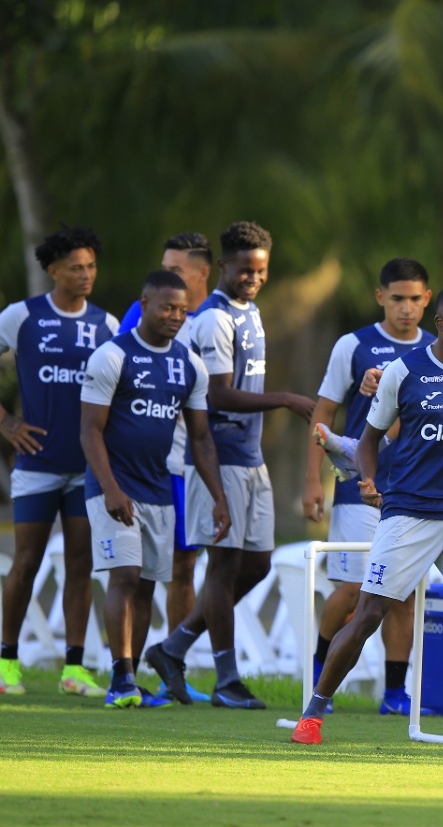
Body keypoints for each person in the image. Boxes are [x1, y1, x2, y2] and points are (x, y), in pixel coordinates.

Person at [290, 285, 443, 745]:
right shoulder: (404, 371)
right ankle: (313, 713)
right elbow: (371, 439)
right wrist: (372, 483)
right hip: (410, 512)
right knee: (369, 613)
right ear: (440, 325)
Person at [145, 221, 315, 709]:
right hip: (215, 459)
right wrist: (284, 399)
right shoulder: (214, 320)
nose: (252, 280)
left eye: (259, 271)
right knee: (222, 567)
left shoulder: (251, 311)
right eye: (243, 271)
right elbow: (218, 395)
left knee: (257, 564)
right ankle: (226, 679)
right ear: (223, 267)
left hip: (249, 457)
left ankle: (172, 648)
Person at [80, 271, 231, 708]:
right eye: (167, 307)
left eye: (183, 310)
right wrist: (109, 488)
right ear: (143, 304)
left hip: (160, 490)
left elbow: (201, 439)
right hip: (112, 488)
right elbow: (90, 431)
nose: (176, 317)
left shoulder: (189, 364)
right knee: (125, 576)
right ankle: (121, 679)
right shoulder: (111, 356)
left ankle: (130, 681)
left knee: (146, 584)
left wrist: (219, 497)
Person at [302, 258, 432, 715]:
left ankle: (395, 692)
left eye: (415, 299)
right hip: (360, 486)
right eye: (397, 298)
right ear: (381, 298)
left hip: (416, 494)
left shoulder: (439, 349)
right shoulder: (353, 345)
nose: (406, 308)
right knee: (353, 589)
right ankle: (320, 675)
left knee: (403, 595)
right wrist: (310, 480)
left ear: (428, 300)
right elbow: (323, 414)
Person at [0, 226, 118, 698]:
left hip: (86, 469)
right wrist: (7, 422)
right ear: (52, 270)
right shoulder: (20, 317)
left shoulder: (108, 326)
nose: (86, 274)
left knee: (79, 563)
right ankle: (6, 663)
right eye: (76, 267)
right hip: (37, 465)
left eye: (91, 266)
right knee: (26, 561)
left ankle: (75, 669)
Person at [117, 232, 215, 702]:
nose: (168, 281)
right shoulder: (145, 314)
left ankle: (172, 668)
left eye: (177, 270)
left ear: (202, 275)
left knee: (185, 568)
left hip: (192, 463)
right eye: (164, 269)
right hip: (155, 466)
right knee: (146, 572)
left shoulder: (215, 316)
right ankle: (128, 672)